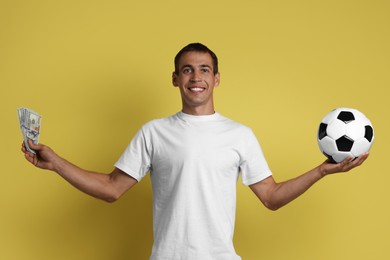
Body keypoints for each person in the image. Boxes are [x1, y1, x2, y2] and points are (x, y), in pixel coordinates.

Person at [21, 43, 368, 260]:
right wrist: (56, 165)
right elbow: (112, 189)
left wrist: (321, 171)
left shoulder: (239, 135)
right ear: (175, 78)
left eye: (204, 69)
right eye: (187, 69)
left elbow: (272, 197)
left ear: (216, 78)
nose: (196, 77)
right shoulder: (154, 132)